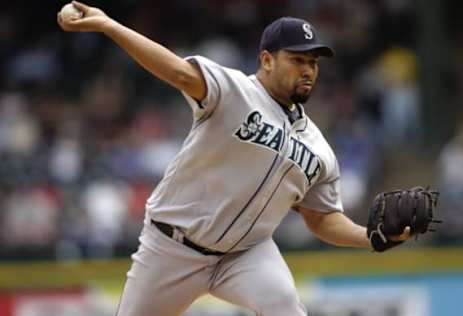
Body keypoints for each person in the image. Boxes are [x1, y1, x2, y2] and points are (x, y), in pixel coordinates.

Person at [58, 2, 411, 315]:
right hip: (171, 248)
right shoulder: (232, 90)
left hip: (245, 254)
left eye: (313, 62)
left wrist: (370, 237)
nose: (308, 69)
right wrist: (109, 25)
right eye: (297, 59)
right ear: (267, 60)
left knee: (285, 306)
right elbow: (179, 72)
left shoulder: (318, 148)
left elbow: (322, 219)